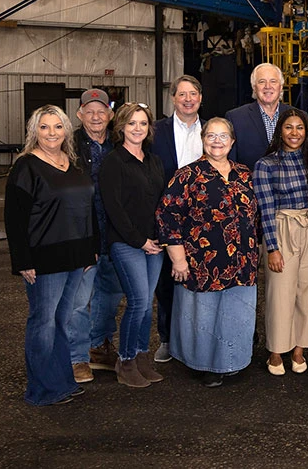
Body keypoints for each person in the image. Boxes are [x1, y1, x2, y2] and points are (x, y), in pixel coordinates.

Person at [5, 105, 97, 405]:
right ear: (34, 132)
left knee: (61, 321)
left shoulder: (72, 163)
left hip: (74, 257)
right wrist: (23, 261)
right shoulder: (26, 166)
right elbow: (14, 219)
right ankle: (42, 390)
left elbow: (86, 210)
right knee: (43, 322)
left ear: (66, 131)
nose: (51, 133)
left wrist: (89, 251)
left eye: (57, 127)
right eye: (44, 127)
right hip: (44, 259)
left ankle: (62, 382)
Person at [156, 117, 259, 388]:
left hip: (242, 262)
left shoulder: (244, 173)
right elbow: (168, 216)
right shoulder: (187, 175)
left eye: (223, 136)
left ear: (232, 141)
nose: (217, 141)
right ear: (203, 140)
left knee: (237, 314)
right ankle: (206, 365)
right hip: (204, 264)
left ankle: (233, 361)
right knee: (205, 316)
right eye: (211, 136)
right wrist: (178, 258)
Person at [99, 103, 166, 388]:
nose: (137, 128)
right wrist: (140, 241)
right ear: (121, 128)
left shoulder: (154, 161)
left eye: (142, 123)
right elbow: (113, 209)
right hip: (127, 243)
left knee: (148, 306)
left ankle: (140, 356)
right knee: (138, 302)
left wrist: (159, 239)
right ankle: (125, 361)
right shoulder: (113, 162)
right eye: (132, 123)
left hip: (155, 244)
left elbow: (161, 203)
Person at [254, 109, 308, 376]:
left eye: (300, 128)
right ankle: (275, 351)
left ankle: (298, 349)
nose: (294, 133)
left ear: (307, 132)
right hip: (282, 228)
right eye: (288, 128)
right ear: (279, 131)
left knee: (306, 292)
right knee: (280, 294)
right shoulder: (266, 165)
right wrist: (272, 247)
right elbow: (265, 208)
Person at [151, 75, 205, 363]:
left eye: (193, 93)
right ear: (173, 98)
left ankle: (197, 336)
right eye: (182, 94)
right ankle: (168, 337)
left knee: (199, 279)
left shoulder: (211, 130)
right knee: (167, 279)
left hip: (203, 221)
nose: (187, 99)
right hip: (167, 215)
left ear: (200, 98)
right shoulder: (156, 132)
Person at [69, 89, 122, 382]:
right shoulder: (69, 145)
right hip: (83, 234)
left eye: (101, 110)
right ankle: (78, 357)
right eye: (89, 111)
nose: (96, 116)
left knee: (109, 295)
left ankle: (98, 346)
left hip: (113, 235)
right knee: (79, 299)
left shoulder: (119, 144)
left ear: (110, 115)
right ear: (79, 115)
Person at [225, 62, 294, 170]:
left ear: (281, 87)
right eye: (262, 82)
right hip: (250, 184)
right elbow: (230, 163)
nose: (268, 86)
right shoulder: (235, 118)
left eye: (273, 81)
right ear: (254, 87)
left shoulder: (297, 116)